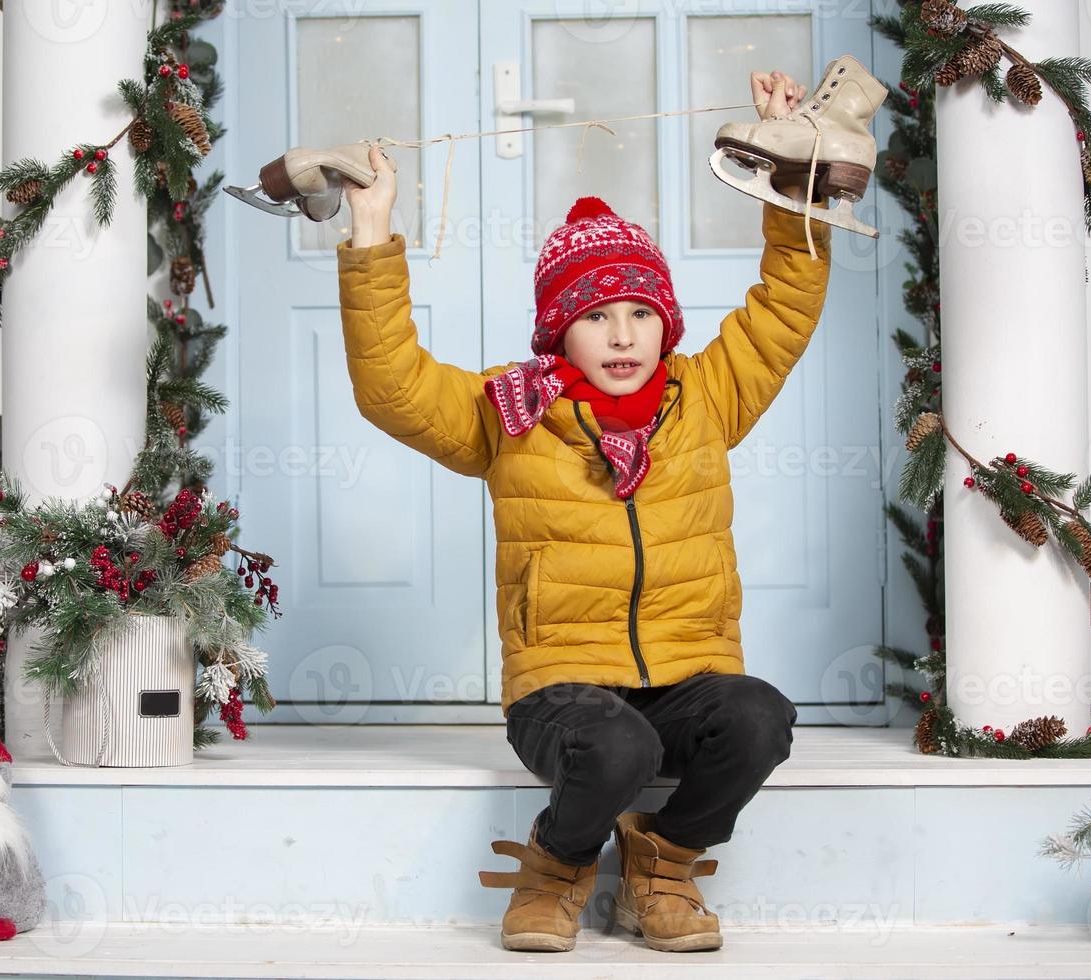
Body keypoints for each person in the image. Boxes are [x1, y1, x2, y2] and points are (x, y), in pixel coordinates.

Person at [336, 70, 828, 954]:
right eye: (597, 316)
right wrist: (372, 233)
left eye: (642, 312)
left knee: (760, 717)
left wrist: (789, 176)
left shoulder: (707, 397)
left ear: (666, 324)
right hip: (563, 690)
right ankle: (558, 864)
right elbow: (392, 386)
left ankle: (664, 859)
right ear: (558, 331)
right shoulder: (511, 410)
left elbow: (784, 309)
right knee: (617, 746)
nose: (624, 335)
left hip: (688, 674)